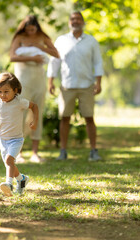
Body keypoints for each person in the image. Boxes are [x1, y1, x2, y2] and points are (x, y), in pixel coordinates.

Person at [47, 11, 104, 161]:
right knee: (65, 118)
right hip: (67, 85)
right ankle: (63, 151)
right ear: (69, 22)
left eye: (78, 19)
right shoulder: (61, 40)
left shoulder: (91, 41)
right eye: (72, 19)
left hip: (87, 86)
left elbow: (97, 62)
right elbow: (54, 62)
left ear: (83, 22)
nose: (75, 21)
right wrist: (51, 81)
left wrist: (98, 82)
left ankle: (93, 151)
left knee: (89, 118)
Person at [10, 15, 59, 163]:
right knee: (21, 113)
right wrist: (32, 57)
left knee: (37, 112)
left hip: (39, 79)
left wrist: (40, 47)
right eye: (28, 29)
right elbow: (12, 57)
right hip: (23, 79)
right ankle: (18, 153)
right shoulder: (19, 38)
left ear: (37, 27)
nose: (31, 32)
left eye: (33, 29)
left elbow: (56, 54)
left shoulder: (42, 37)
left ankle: (35, 153)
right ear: (24, 28)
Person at [0, 72, 39, 196]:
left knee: (9, 160)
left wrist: (34, 120)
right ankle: (21, 180)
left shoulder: (19, 102)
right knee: (9, 163)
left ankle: (8, 184)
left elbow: (34, 106)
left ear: (15, 90)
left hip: (16, 139)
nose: (2, 95)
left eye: (6, 91)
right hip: (2, 139)